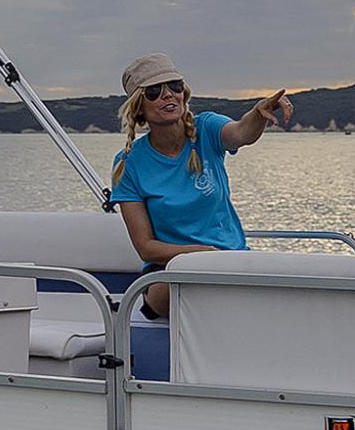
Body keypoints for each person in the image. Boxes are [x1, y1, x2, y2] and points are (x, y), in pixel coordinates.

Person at [109, 53, 293, 318]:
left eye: (174, 86)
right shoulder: (129, 164)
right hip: (169, 271)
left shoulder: (206, 128)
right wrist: (199, 255)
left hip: (229, 261)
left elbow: (240, 133)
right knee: (190, 284)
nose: (168, 95)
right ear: (139, 107)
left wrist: (258, 114)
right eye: (154, 92)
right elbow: (146, 247)